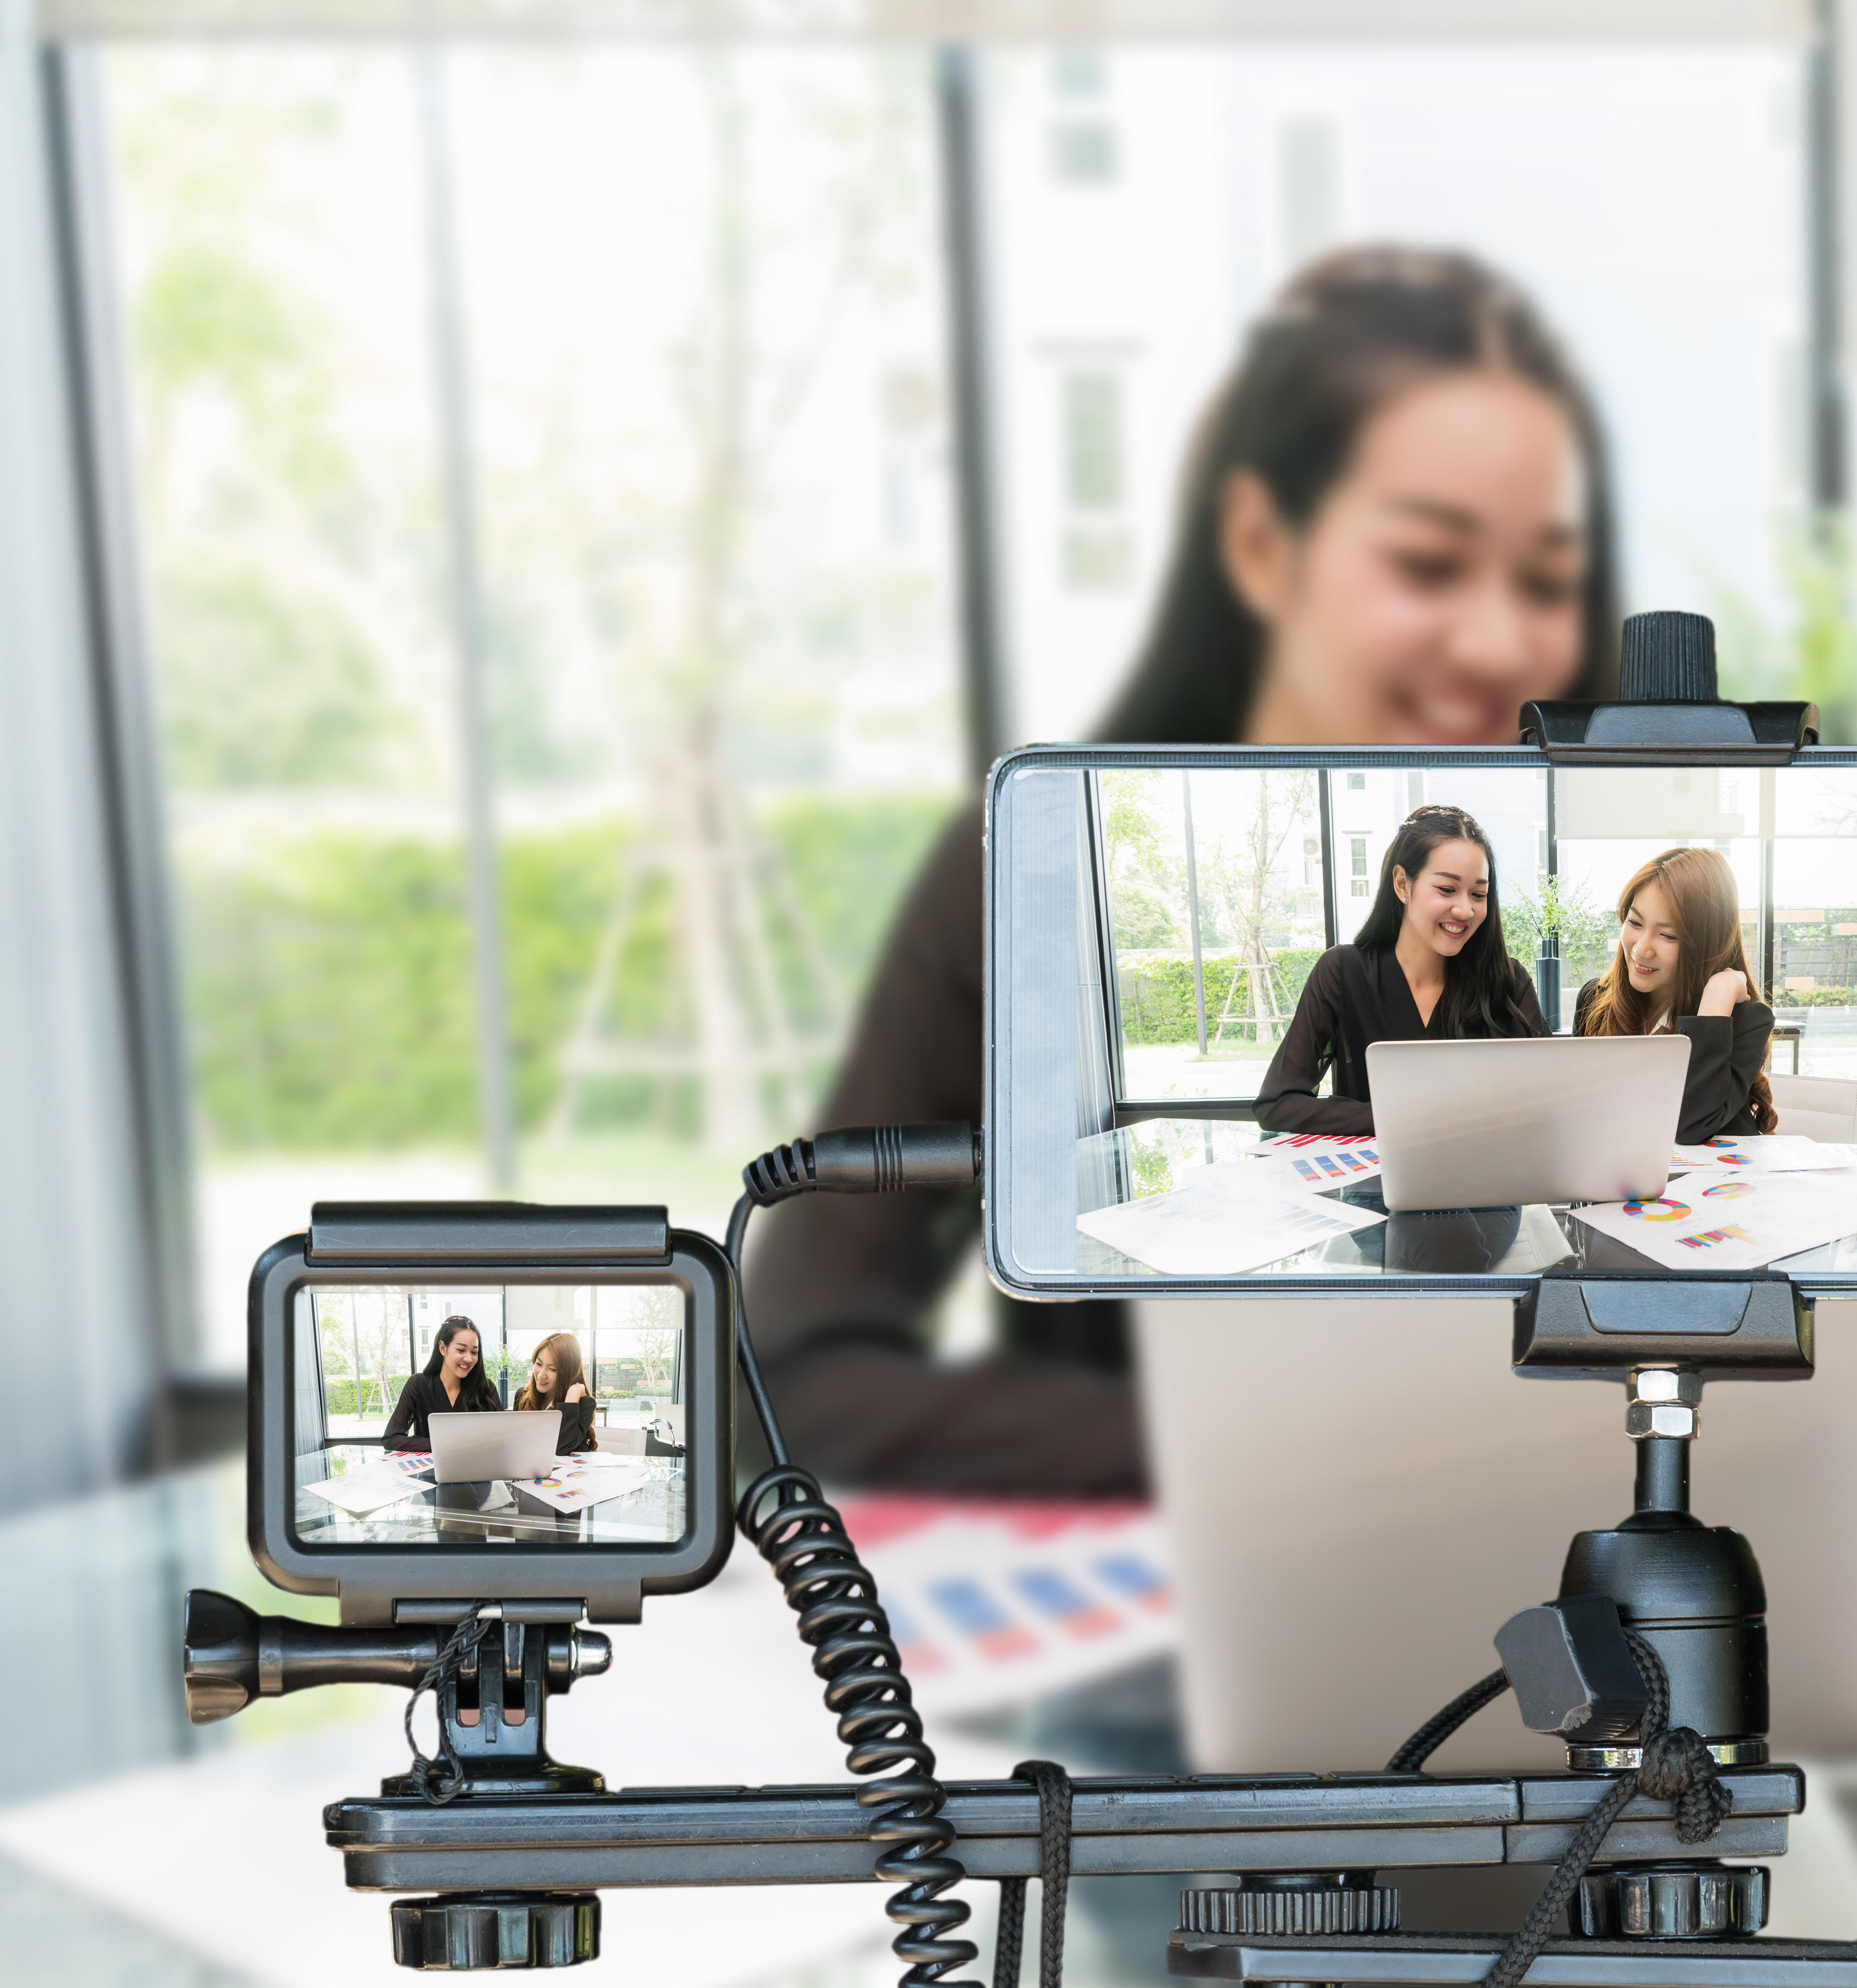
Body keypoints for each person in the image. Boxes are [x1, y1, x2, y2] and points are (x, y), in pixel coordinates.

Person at [741, 247, 1619, 1492]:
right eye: (1427, 562)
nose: (1500, 639)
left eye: (1546, 578)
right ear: (1263, 544)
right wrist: (1274, 1459)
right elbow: (798, 1372)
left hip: (1543, 1473)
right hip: (1194, 1524)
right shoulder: (1015, 874)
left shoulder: (1503, 979)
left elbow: (1552, 1127)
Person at [1254, 804, 1547, 1134]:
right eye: (1447, 889)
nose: (1465, 910)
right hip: (1372, 1183)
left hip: (1484, 1181)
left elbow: (1550, 1101)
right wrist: (1398, 1120)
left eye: (1478, 894)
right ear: (1402, 885)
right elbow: (1278, 1104)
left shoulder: (1508, 983)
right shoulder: (1341, 972)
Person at [1572, 845, 1775, 1142]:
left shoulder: (1746, 1020)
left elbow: (1690, 1125)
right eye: (1635, 922)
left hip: (1716, 1185)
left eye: (1668, 935)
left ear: (1708, 944)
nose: (1642, 949)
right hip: (1622, 1182)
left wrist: (1716, 1002)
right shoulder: (1596, 1000)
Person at [381, 1315, 502, 1450]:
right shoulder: (418, 1384)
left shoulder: (486, 1388)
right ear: (443, 1348)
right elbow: (391, 1439)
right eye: (461, 1350)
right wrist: (441, 1445)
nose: (469, 1358)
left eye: (474, 1352)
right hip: (431, 1470)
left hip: (477, 1469)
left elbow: (504, 1437)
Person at [514, 1330, 597, 1457]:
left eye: (552, 1369)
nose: (542, 1375)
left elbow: (562, 1448)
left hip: (570, 1475)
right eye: (539, 1364)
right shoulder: (522, 1396)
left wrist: (572, 1397)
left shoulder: (585, 1404)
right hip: (532, 1474)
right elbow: (516, 1447)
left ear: (568, 1373)